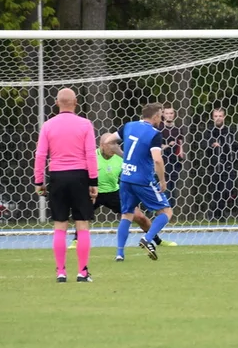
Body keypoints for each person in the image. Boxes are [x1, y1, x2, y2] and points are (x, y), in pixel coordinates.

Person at [34, 87, 99, 282]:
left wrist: (39, 181)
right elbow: (90, 154)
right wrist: (93, 181)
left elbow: (40, 155)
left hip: (57, 177)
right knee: (82, 225)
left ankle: (61, 272)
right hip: (80, 176)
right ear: (76, 102)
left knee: (60, 226)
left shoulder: (48, 125)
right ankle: (82, 272)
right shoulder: (85, 124)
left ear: (56, 103)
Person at [69, 133, 171, 250]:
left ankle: (156, 240)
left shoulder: (121, 158)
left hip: (114, 192)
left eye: (115, 144)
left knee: (139, 216)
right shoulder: (91, 157)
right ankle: (76, 240)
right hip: (94, 192)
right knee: (83, 215)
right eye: (110, 145)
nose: (114, 147)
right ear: (102, 145)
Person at [111, 102, 173, 261]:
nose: (161, 117)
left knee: (127, 215)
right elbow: (158, 160)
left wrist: (124, 157)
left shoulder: (129, 125)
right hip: (142, 180)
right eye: (160, 114)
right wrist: (162, 181)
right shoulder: (154, 133)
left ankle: (119, 253)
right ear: (155, 116)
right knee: (166, 212)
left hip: (125, 178)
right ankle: (148, 238)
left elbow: (108, 142)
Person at [203, 106, 238, 221]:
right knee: (216, 191)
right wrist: (211, 144)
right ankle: (217, 215)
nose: (218, 118)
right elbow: (203, 145)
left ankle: (217, 212)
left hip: (229, 166)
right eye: (215, 116)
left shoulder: (231, 131)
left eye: (220, 116)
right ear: (212, 117)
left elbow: (237, 147)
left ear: (224, 117)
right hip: (215, 166)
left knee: (227, 190)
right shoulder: (209, 132)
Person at [159, 103, 185, 193]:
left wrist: (181, 154)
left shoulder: (178, 129)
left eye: (171, 113)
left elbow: (180, 144)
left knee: (172, 190)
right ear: (163, 114)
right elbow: (156, 147)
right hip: (162, 162)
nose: (169, 116)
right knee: (164, 190)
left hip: (175, 163)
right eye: (167, 113)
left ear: (174, 114)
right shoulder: (159, 128)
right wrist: (167, 146)